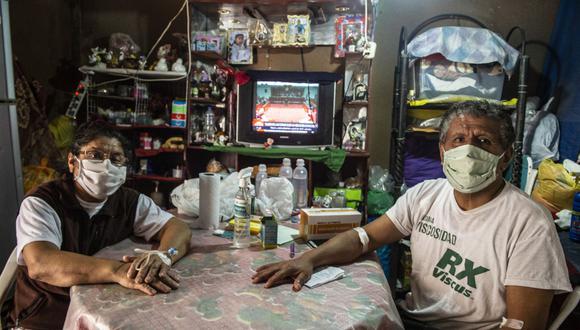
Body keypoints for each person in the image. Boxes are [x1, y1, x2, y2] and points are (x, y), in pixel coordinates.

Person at [252, 101, 572, 329]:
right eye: (459, 139)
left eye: (484, 141)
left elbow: (521, 325)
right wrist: (309, 259)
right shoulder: (426, 195)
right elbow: (365, 237)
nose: (469, 150)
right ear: (443, 151)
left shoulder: (529, 223)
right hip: (411, 319)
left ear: (505, 157)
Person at [5, 122, 192, 329]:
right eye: (95, 156)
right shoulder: (43, 202)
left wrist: (165, 255)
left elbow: (177, 228)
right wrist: (116, 271)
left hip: (106, 311)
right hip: (47, 316)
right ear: (72, 162)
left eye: (115, 159)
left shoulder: (128, 201)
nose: (106, 166)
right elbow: (41, 263)